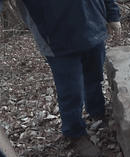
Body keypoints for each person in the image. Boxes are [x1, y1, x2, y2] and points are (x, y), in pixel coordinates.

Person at [0, 0, 121, 156]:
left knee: (95, 78)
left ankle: (97, 112)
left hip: (94, 26)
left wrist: (113, 16)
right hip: (57, 38)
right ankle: (75, 133)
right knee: (71, 92)